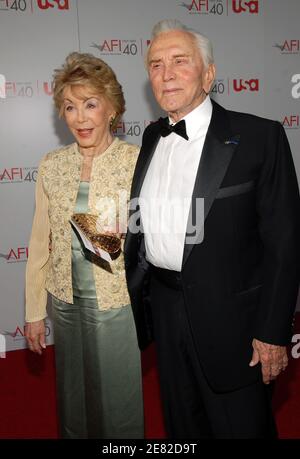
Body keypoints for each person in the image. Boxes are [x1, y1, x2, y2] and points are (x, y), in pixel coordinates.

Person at [124, 19, 300, 439]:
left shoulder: (260, 136)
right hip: (165, 311)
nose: (165, 74)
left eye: (180, 61)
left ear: (209, 73)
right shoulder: (151, 137)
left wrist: (273, 331)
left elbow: (285, 241)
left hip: (235, 321)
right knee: (182, 427)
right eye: (155, 64)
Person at [25, 52, 144, 439]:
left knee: (118, 407)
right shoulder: (52, 164)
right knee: (73, 405)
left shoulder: (137, 162)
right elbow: (40, 242)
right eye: (70, 107)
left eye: (90, 105)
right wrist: (33, 313)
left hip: (117, 305)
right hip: (65, 304)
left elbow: (151, 241)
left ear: (113, 108)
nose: (80, 118)